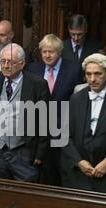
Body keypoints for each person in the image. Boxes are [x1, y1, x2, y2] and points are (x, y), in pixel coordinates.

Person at [0, 43, 50, 182]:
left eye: (10, 62)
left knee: (24, 196)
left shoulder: (38, 84)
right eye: (2, 61)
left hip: (24, 150)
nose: (5, 66)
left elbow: (45, 121)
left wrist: (40, 154)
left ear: (22, 64)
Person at [62, 53, 106, 194]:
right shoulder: (76, 99)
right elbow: (64, 135)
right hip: (79, 174)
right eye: (88, 74)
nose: (92, 79)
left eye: (98, 74)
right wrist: (79, 162)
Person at [26, 34, 81, 186]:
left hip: (62, 128)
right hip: (37, 130)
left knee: (58, 172)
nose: (47, 55)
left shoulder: (74, 69)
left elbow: (78, 100)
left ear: (59, 52)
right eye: (44, 51)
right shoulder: (33, 68)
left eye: (51, 52)